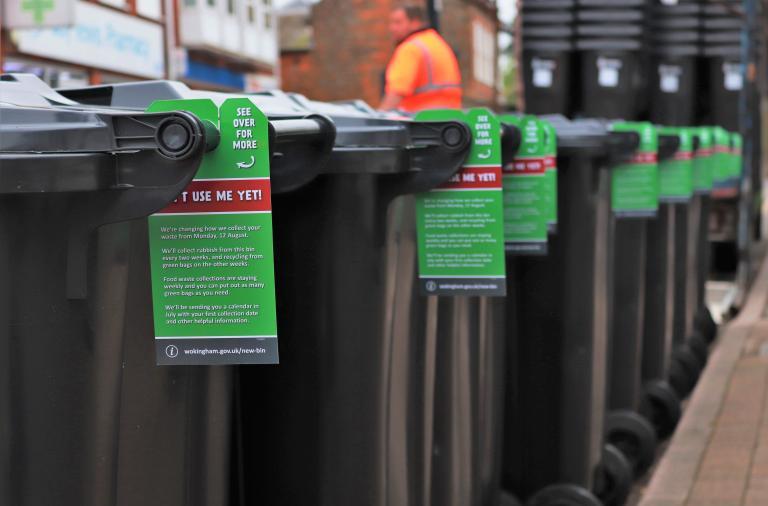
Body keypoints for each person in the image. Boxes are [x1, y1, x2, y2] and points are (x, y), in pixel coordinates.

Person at [379, 5, 462, 112]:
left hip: (420, 121)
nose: (392, 28)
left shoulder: (410, 48)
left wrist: (379, 117)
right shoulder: (438, 43)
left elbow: (397, 91)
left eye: (398, 22)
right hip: (450, 120)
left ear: (415, 23)